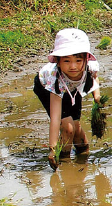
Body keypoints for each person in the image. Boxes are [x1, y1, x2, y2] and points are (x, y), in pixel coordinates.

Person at [33, 28, 102, 169]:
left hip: (73, 89)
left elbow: (94, 79)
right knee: (67, 127)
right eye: (66, 61)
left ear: (85, 59)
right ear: (58, 61)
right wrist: (52, 148)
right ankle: (64, 163)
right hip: (48, 89)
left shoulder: (90, 67)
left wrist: (97, 96)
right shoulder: (54, 78)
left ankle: (83, 158)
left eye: (78, 60)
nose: (73, 66)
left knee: (76, 128)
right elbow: (55, 117)